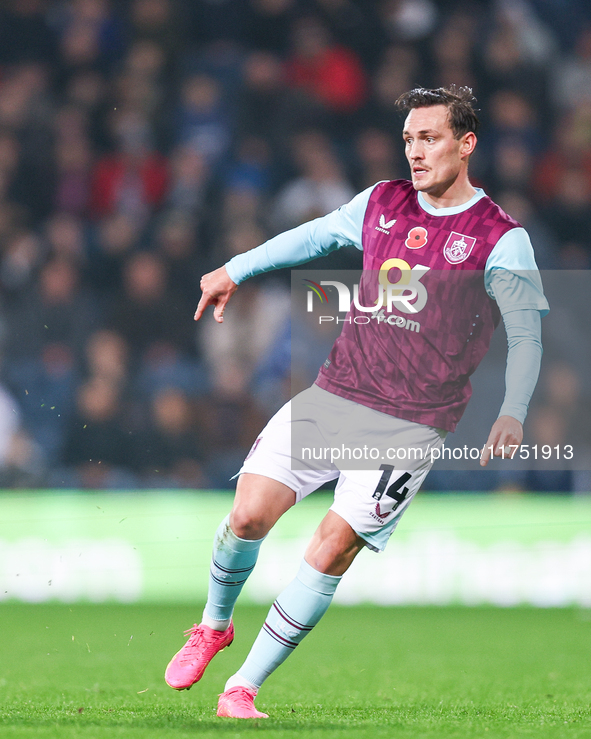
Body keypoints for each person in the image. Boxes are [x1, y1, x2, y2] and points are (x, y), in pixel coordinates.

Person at [164, 86, 549, 719]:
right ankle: (213, 624)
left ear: (465, 143)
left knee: (330, 548)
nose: (416, 153)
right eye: (408, 140)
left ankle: (243, 688)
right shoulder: (382, 202)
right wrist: (237, 268)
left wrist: (514, 411)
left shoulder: (501, 238)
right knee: (247, 517)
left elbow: (528, 334)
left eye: (429, 139)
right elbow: (313, 238)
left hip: (411, 426)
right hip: (336, 394)